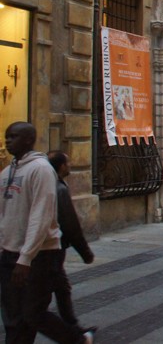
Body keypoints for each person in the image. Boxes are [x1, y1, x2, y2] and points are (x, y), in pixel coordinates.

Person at [0, 122, 94, 343]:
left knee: (33, 312)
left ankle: (78, 340)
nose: (8, 140)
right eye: (6, 136)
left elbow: (41, 215)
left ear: (29, 140)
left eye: (13, 136)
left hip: (40, 255)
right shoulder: (6, 173)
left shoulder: (41, 170)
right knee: (14, 316)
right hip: (10, 253)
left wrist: (26, 257)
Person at [47, 151, 96, 337]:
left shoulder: (50, 184)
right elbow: (70, 224)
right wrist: (85, 252)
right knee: (37, 306)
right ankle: (75, 336)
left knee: (62, 289)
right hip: (53, 247)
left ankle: (73, 327)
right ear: (61, 167)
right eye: (68, 163)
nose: (70, 165)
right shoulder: (58, 188)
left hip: (51, 247)